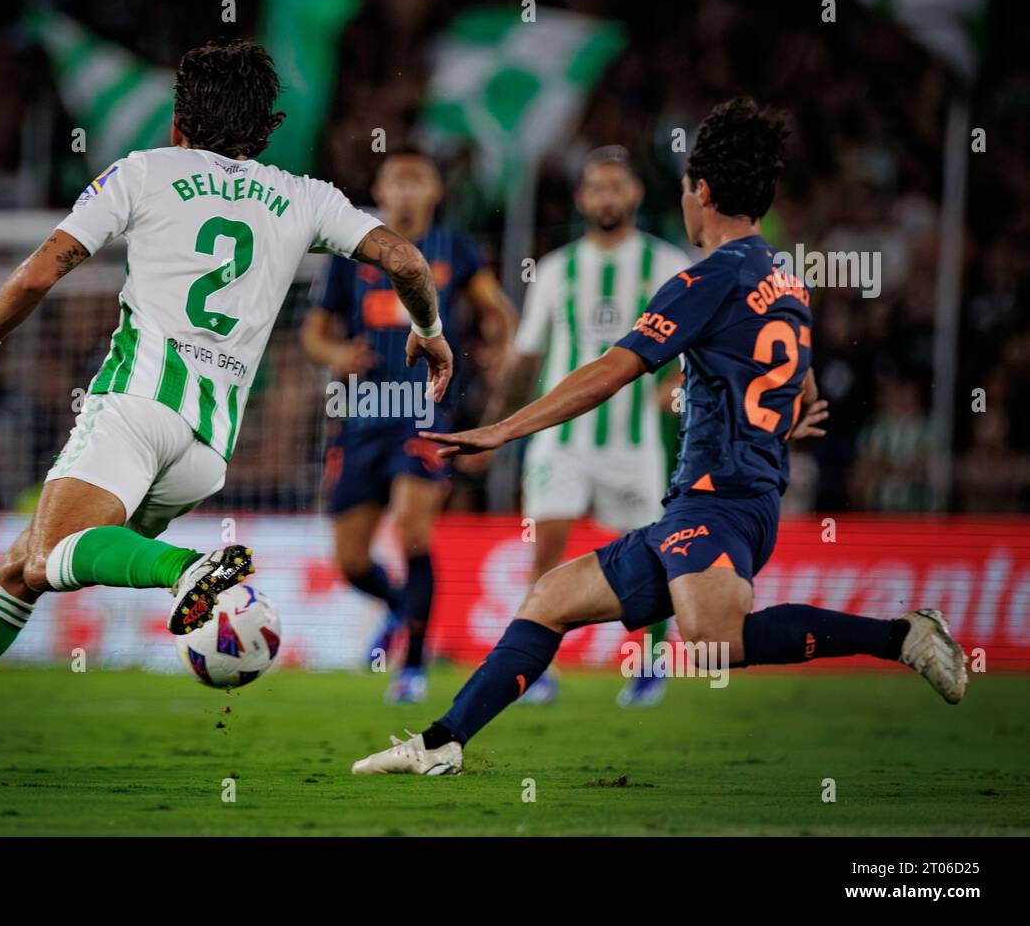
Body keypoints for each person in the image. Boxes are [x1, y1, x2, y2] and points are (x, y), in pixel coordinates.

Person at [0, 39, 453, 781]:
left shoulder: (145, 171)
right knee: (23, 570)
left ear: (180, 121)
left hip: (134, 408)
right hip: (207, 452)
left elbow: (38, 272)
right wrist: (431, 335)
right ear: (268, 127)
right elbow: (407, 261)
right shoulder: (306, 195)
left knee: (54, 554)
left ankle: (190, 571)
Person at [351, 98, 966, 777]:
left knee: (711, 642)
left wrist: (504, 429)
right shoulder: (785, 278)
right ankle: (443, 743)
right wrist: (789, 413)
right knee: (550, 599)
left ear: (700, 192)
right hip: (721, 499)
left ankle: (901, 634)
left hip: (720, 499)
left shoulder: (704, 278)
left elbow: (611, 372)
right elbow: (803, 382)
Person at [302, 147, 514, 703]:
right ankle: (403, 608)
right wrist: (335, 355)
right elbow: (313, 333)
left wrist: (499, 346)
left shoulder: (454, 251)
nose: (406, 189)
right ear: (380, 187)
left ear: (434, 192)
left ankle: (414, 668)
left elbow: (498, 314)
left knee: (413, 529)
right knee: (350, 561)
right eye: (397, 179)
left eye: (418, 179)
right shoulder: (349, 253)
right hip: (360, 415)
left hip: (423, 412)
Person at [484, 146, 690, 707]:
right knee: (545, 548)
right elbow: (527, 358)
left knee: (655, 554)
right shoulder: (555, 270)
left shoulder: (668, 265)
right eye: (596, 187)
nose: (606, 196)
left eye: (615, 186)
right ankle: (534, 670)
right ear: (581, 198)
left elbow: (696, 350)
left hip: (633, 444)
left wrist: (676, 387)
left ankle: (650, 663)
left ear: (635, 194)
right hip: (562, 442)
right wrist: (497, 426)